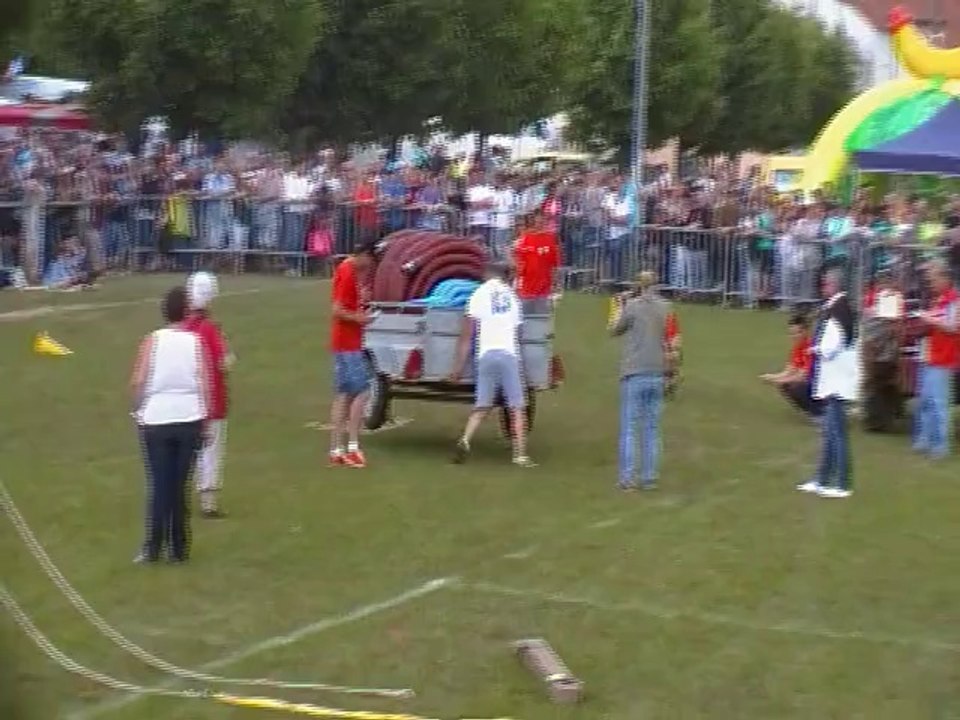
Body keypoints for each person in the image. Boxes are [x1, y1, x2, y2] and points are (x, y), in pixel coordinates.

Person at [130, 286, 210, 563]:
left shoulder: (152, 341)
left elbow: (139, 380)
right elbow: (204, 382)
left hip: (157, 418)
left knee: (160, 483)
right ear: (186, 312)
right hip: (189, 418)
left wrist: (137, 408)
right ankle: (178, 548)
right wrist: (206, 418)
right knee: (179, 484)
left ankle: (153, 546)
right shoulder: (195, 342)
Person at [449, 262, 535, 467]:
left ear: (487, 275)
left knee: (482, 405)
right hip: (508, 354)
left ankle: (465, 439)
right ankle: (520, 455)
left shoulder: (478, 294)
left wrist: (458, 367)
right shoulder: (513, 297)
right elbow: (518, 333)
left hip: (486, 353)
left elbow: (466, 335)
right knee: (517, 407)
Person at [609, 270, 672, 491]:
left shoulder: (632, 306)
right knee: (652, 428)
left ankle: (627, 478)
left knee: (629, 428)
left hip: (634, 370)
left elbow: (614, 330)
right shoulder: (665, 307)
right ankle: (649, 477)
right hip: (657, 370)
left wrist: (619, 306)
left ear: (639, 285)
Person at [798, 270, 857, 499]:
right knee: (830, 433)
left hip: (837, 380)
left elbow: (834, 344)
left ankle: (842, 484)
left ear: (833, 285)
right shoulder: (840, 308)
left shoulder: (837, 310)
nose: (822, 288)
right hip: (837, 378)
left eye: (825, 284)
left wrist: (816, 349)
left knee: (837, 434)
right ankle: (822, 479)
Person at [183, 271, 233, 518]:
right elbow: (225, 363)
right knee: (211, 451)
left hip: (186, 400)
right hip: (212, 399)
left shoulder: (181, 328)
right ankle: (208, 502)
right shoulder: (210, 330)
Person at [329, 241, 377, 468]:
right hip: (348, 343)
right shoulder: (348, 272)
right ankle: (353, 446)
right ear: (364, 255)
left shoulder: (348, 270)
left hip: (343, 342)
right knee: (363, 391)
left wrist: (362, 302)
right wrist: (361, 319)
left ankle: (336, 449)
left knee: (344, 394)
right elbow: (337, 309)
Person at [913, 260, 960, 458]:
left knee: (939, 403)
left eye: (934, 279)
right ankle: (925, 439)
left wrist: (929, 318)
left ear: (945, 278)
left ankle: (940, 446)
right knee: (925, 401)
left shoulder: (954, 300)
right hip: (930, 356)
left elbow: (952, 327)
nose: (930, 283)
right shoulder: (938, 299)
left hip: (944, 359)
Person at [760, 313, 820, 419]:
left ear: (805, 331)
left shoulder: (811, 348)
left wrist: (777, 380)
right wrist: (771, 377)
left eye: (797, 333)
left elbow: (803, 376)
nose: (794, 336)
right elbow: (789, 371)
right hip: (811, 383)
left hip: (819, 385)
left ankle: (819, 413)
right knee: (786, 385)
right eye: (791, 333)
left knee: (796, 387)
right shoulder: (797, 348)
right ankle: (811, 411)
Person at [513, 209, 560, 314]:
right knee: (524, 319)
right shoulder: (525, 238)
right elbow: (518, 262)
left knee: (541, 320)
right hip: (527, 288)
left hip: (544, 288)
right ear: (533, 222)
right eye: (537, 222)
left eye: (542, 222)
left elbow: (554, 264)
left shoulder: (550, 239)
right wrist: (517, 283)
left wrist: (555, 284)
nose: (539, 224)